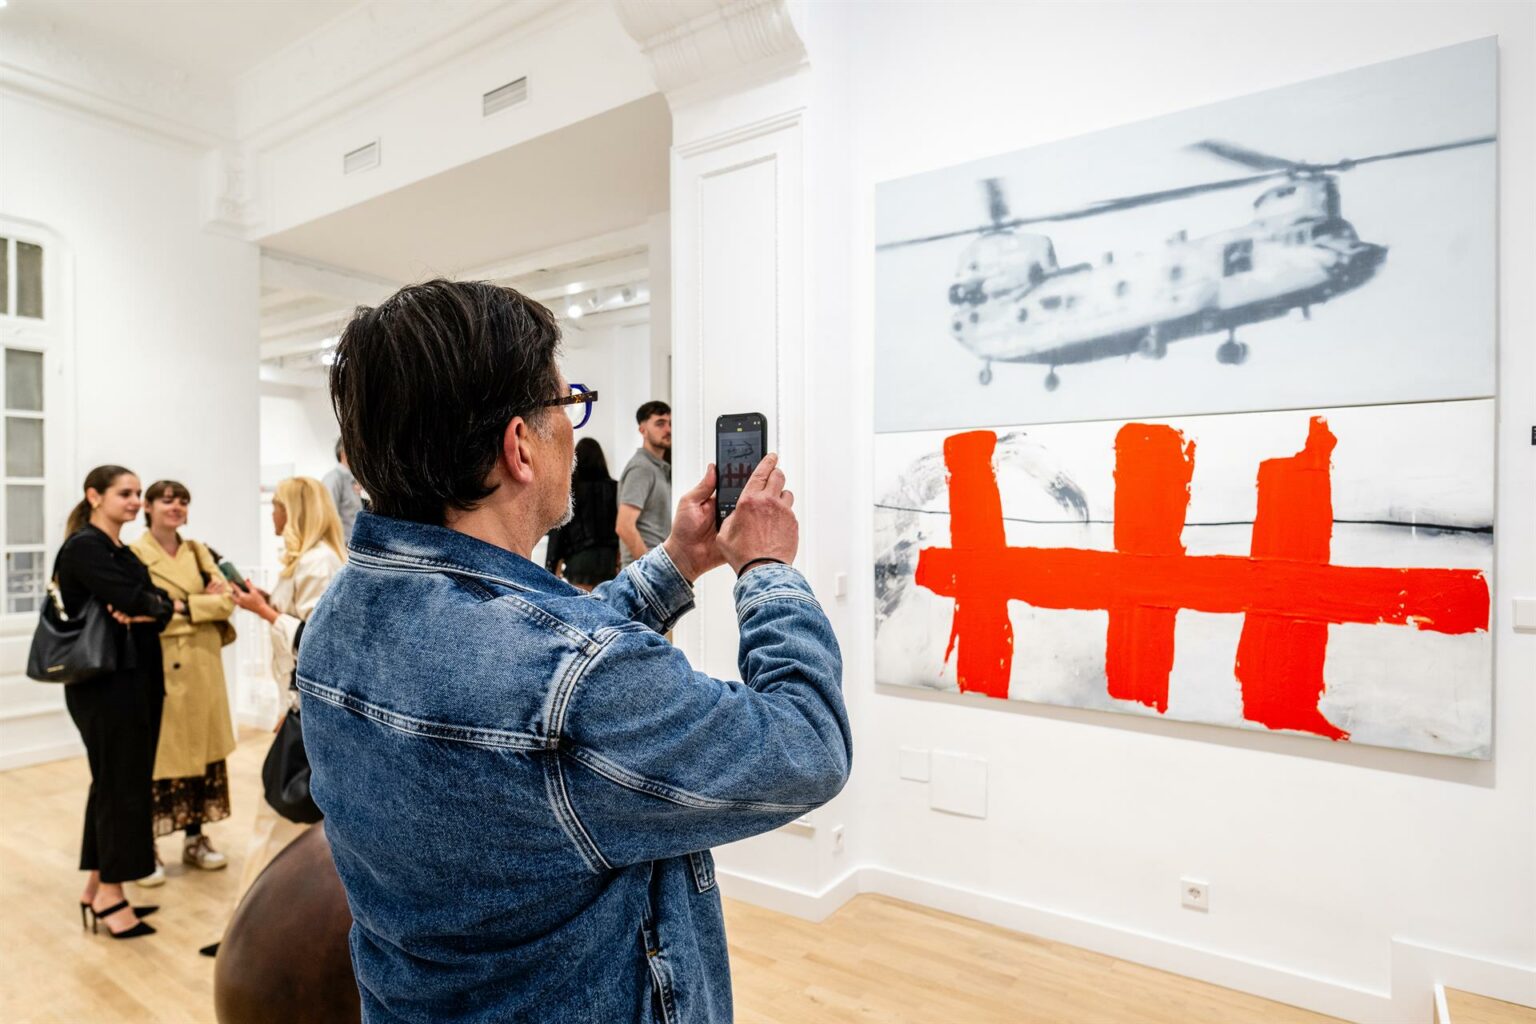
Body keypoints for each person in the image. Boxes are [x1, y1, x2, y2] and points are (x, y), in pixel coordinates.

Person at [300, 279, 850, 1023]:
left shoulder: (339, 613)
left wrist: (677, 561)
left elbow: (536, 659)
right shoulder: (569, 682)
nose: (571, 422)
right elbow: (807, 745)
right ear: (520, 446)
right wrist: (767, 569)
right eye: (568, 403)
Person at [209, 477, 346, 957]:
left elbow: (319, 644)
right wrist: (265, 604)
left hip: (309, 714)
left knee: (275, 825)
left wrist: (265, 613)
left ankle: (248, 938)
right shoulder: (309, 563)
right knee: (285, 826)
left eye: (278, 506)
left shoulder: (318, 564)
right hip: (299, 710)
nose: (272, 514)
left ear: (295, 511)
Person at [55, 466, 181, 940]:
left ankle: (96, 885)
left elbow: (159, 604)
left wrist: (152, 606)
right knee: (122, 788)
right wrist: (149, 604)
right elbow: (137, 598)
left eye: (137, 493)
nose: (134, 500)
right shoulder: (85, 547)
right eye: (124, 493)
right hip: (107, 686)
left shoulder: (118, 549)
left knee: (113, 784)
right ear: (94, 496)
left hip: (134, 682)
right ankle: (112, 895)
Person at [129, 480, 238, 885]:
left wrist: (180, 606)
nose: (176, 507)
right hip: (159, 666)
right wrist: (200, 606)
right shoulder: (135, 554)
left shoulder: (197, 550)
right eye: (167, 500)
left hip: (203, 665)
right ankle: (146, 847)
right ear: (148, 507)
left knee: (202, 754)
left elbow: (227, 601)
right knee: (160, 758)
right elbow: (141, 610)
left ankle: (196, 838)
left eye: (183, 501)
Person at [544, 437, 619, 591]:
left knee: (583, 603)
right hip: (608, 559)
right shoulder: (614, 488)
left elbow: (559, 530)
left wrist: (551, 564)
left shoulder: (572, 491)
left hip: (579, 560)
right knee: (606, 603)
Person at [616, 399, 671, 567]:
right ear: (643, 430)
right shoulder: (641, 467)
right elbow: (624, 526)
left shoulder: (658, 467)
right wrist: (651, 568)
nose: (668, 430)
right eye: (660, 424)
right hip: (642, 572)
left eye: (670, 424)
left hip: (653, 566)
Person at [322, 439, 363, 543]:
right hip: (342, 545)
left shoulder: (354, 480)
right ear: (344, 454)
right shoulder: (333, 479)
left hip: (353, 544)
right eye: (357, 451)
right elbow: (328, 517)